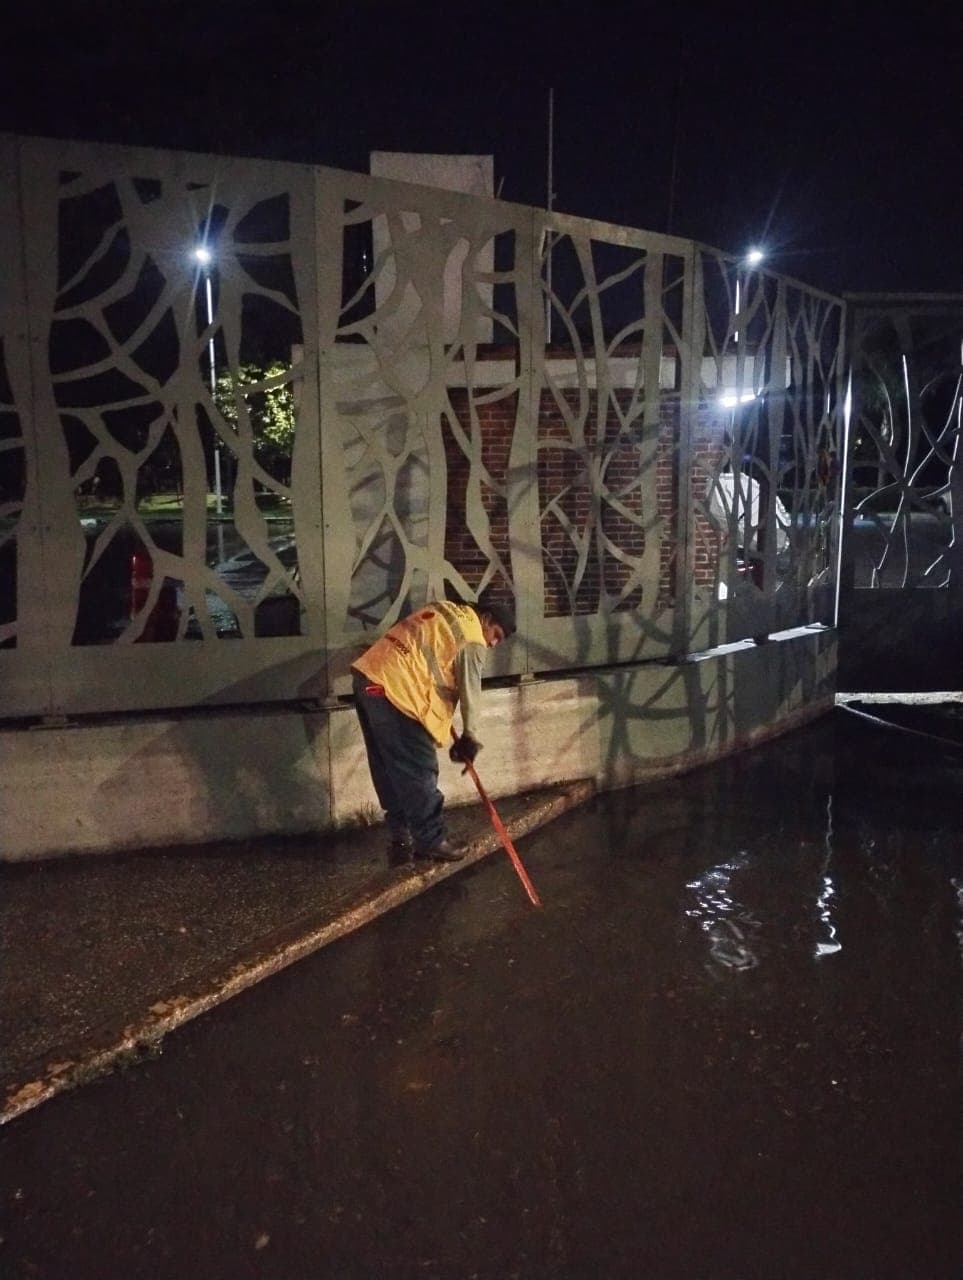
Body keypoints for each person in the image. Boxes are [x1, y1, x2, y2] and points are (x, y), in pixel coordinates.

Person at [351, 597, 516, 868]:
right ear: (485, 619)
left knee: (388, 766)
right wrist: (470, 736)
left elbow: (426, 654)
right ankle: (431, 840)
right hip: (399, 693)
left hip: (371, 680)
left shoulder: (442, 608)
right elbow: (470, 692)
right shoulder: (472, 637)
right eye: (495, 634)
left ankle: (401, 834)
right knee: (419, 767)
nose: (493, 643)